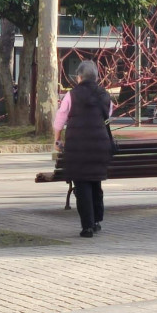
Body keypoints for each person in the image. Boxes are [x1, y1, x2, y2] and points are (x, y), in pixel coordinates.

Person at [54, 60, 113, 238]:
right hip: (100, 145)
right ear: (96, 77)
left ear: (79, 77)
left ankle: (87, 226)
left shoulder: (71, 95)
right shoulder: (105, 94)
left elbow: (60, 118)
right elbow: (108, 115)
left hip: (77, 146)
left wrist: (57, 140)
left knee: (82, 184)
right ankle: (96, 221)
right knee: (95, 181)